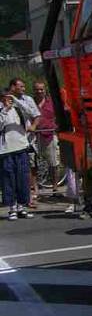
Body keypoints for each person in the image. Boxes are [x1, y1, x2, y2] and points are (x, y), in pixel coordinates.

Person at [0, 88, 37, 220]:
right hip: (6, 150)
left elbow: (33, 112)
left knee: (22, 178)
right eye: (4, 98)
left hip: (21, 147)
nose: (7, 100)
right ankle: (12, 208)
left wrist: (16, 101)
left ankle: (22, 207)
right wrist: (5, 110)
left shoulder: (19, 109)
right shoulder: (1, 111)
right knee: (9, 179)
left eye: (9, 98)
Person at [8, 78, 41, 208]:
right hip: (11, 140)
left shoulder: (27, 99)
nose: (23, 89)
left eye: (23, 86)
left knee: (29, 168)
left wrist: (33, 126)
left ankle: (29, 196)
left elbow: (35, 114)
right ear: (12, 87)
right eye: (20, 86)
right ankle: (17, 199)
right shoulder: (5, 99)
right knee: (13, 170)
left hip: (27, 139)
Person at [32, 81, 59, 198]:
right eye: (37, 89)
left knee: (54, 163)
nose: (39, 92)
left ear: (45, 90)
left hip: (50, 135)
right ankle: (35, 190)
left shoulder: (52, 102)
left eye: (41, 89)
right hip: (34, 136)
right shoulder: (30, 102)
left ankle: (55, 188)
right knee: (32, 164)